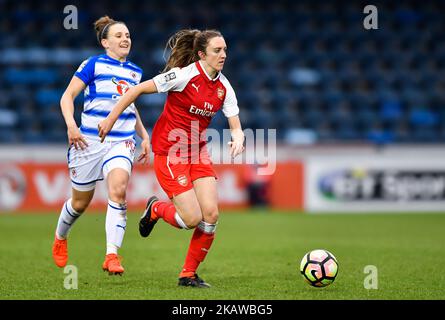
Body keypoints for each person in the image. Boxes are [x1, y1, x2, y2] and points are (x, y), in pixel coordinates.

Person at [98, 29, 245, 287]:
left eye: (224, 50)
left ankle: (188, 274)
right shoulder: (182, 75)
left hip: (197, 152)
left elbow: (234, 121)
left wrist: (238, 136)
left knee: (210, 215)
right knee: (190, 219)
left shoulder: (224, 86)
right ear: (202, 54)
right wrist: (111, 119)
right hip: (170, 152)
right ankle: (155, 209)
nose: (223, 55)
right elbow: (135, 91)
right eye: (217, 51)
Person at [51, 16, 150, 275]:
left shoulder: (135, 71)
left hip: (121, 140)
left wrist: (144, 135)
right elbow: (67, 96)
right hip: (89, 141)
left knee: (118, 190)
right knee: (79, 204)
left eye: (127, 35)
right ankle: (61, 237)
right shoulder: (93, 64)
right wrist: (71, 126)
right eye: (118, 35)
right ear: (105, 42)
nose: (125, 39)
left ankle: (111, 255)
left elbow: (129, 104)